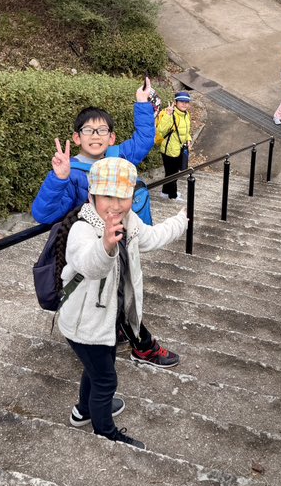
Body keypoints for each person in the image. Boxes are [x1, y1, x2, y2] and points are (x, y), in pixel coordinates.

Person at [31, 79, 181, 369]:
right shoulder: (72, 172)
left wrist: (142, 104)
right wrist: (58, 178)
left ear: (112, 138)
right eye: (88, 130)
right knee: (106, 295)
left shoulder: (120, 157)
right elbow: (44, 214)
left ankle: (127, 341)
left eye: (102, 130)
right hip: (93, 250)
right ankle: (130, 345)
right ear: (76, 138)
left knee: (123, 290)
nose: (96, 135)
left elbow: (145, 140)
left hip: (126, 243)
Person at [61, 157, 188, 451]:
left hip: (107, 321)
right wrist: (106, 245)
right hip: (84, 325)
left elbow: (153, 237)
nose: (115, 205)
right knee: (106, 381)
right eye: (107, 196)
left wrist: (181, 221)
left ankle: (83, 411)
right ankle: (105, 432)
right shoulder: (82, 229)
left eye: (123, 197)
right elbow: (89, 265)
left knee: (96, 370)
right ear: (91, 195)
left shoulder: (130, 222)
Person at [156, 91, 192, 201]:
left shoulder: (186, 114)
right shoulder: (171, 114)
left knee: (171, 172)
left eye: (186, 102)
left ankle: (165, 192)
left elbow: (185, 131)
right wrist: (168, 115)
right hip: (169, 150)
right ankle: (173, 196)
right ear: (175, 102)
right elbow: (161, 130)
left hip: (179, 148)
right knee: (173, 174)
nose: (184, 104)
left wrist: (189, 139)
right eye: (181, 101)